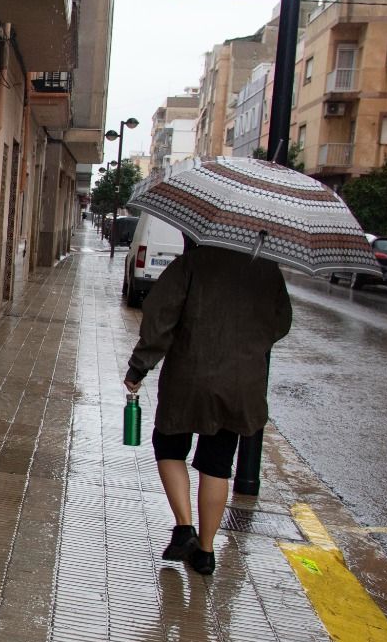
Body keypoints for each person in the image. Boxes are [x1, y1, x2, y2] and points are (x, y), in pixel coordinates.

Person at [123, 240, 292, 575]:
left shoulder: (193, 263)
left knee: (169, 443)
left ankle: (185, 528)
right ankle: (206, 551)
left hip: (190, 374)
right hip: (241, 382)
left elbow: (161, 318)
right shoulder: (267, 269)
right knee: (217, 462)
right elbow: (280, 323)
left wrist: (139, 367)